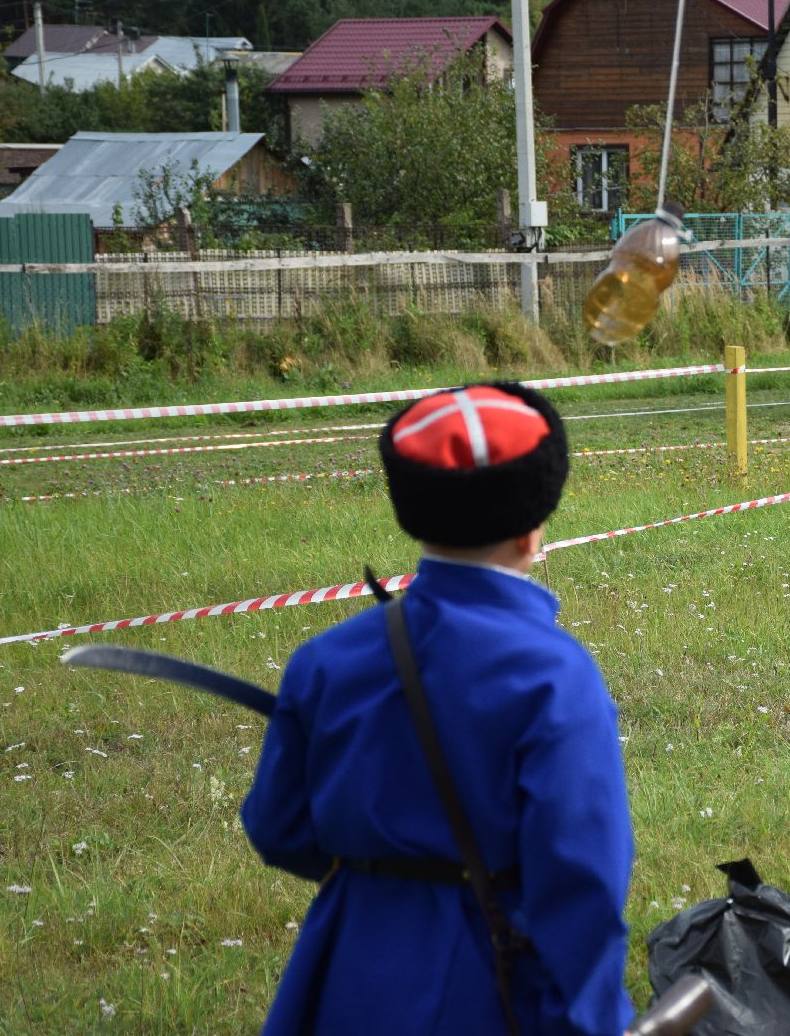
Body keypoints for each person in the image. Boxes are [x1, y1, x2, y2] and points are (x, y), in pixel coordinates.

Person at [240, 382, 635, 1035]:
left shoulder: (324, 659)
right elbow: (579, 879)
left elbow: (278, 829)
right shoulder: (554, 676)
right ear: (533, 531)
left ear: (410, 512)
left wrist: (383, 880)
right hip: (485, 983)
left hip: (342, 973)